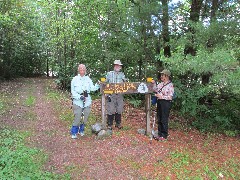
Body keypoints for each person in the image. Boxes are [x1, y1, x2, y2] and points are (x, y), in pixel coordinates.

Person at [70, 64, 99, 139]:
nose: (82, 70)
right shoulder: (74, 79)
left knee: (85, 117)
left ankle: (81, 130)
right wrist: (79, 97)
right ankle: (74, 132)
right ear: (78, 70)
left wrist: (98, 85)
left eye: (84, 68)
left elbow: (92, 88)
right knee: (78, 117)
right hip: (78, 101)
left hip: (87, 100)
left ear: (85, 70)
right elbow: (73, 91)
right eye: (81, 68)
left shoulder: (88, 79)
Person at [152, 69, 174, 141]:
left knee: (164, 119)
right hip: (159, 102)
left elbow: (170, 97)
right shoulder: (160, 84)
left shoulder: (170, 85)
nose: (161, 76)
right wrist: (154, 83)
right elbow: (155, 90)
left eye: (163, 75)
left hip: (166, 103)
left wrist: (162, 97)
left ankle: (164, 135)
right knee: (159, 118)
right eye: (161, 75)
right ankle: (159, 134)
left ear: (167, 76)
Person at [105, 59, 128, 130]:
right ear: (114, 66)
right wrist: (106, 93)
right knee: (110, 109)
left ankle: (118, 123)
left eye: (119, 65)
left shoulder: (122, 74)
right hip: (111, 94)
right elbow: (105, 84)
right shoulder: (109, 74)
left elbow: (126, 83)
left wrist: (126, 82)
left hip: (120, 94)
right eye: (116, 65)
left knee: (119, 109)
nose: (117, 66)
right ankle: (110, 124)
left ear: (120, 67)